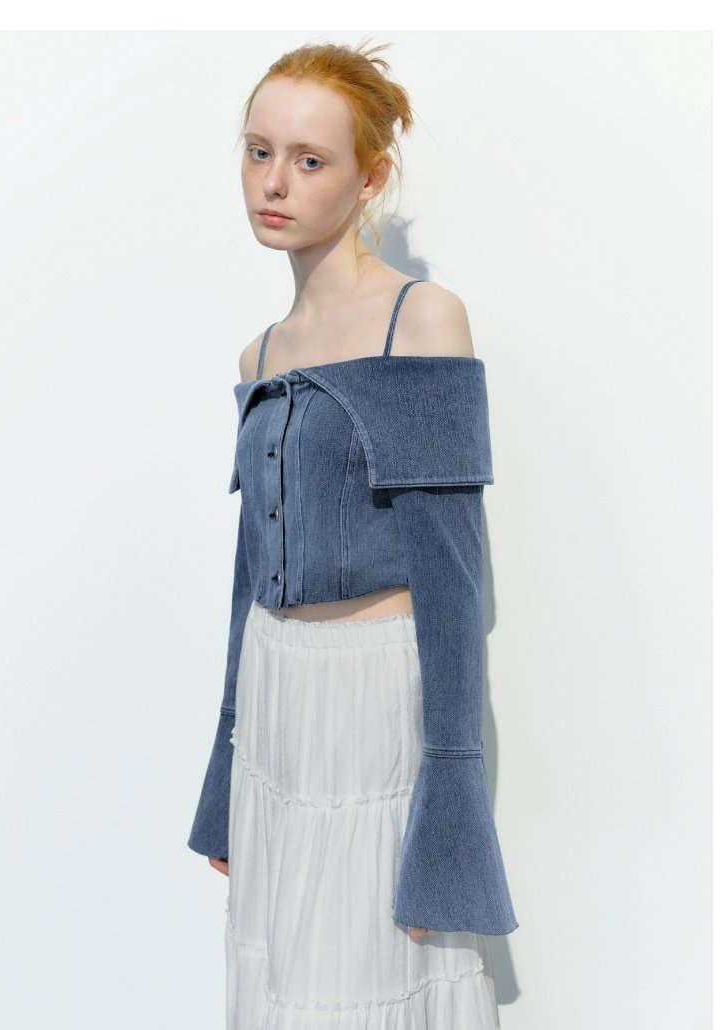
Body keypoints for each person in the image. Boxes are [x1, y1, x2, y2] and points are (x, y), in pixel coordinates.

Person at [187, 39, 518, 1028]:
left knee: (359, 977)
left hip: (373, 697)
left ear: (370, 177)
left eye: (309, 160)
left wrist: (453, 799)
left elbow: (452, 573)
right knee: (283, 979)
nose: (273, 183)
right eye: (258, 152)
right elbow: (249, 569)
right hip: (275, 694)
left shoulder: (422, 320)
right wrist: (223, 766)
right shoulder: (259, 353)